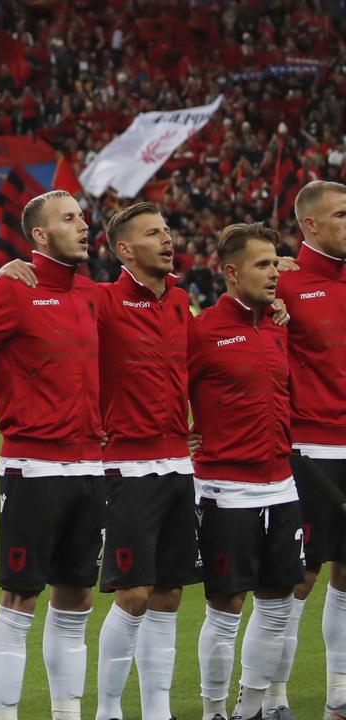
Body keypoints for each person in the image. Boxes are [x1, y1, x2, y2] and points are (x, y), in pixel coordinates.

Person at [0, 202, 200, 720]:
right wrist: (10, 271)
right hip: (120, 468)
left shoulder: (180, 301)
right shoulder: (102, 300)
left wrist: (281, 289)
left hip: (176, 465)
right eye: (154, 232)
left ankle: (157, 711)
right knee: (129, 595)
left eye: (168, 229)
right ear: (125, 250)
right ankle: (108, 709)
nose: (168, 238)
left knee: (167, 593)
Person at [0, 190, 103, 720]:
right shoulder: (10, 293)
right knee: (19, 601)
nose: (83, 226)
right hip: (35, 467)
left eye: (82, 217)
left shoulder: (95, 296)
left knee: (77, 599)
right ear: (38, 236)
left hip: (92, 466)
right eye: (69, 219)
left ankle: (66, 713)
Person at [189, 223, 300, 720]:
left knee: (277, 603)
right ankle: (213, 711)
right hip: (225, 489)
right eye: (263, 265)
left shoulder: (279, 324)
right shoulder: (202, 331)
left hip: (282, 483)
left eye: (277, 263)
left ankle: (251, 709)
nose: (274, 273)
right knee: (226, 606)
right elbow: (159, 385)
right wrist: (180, 432)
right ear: (231, 274)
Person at [267, 180, 346, 718]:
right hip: (308, 450)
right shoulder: (283, 284)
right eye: (343, 215)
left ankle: (340, 691)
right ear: (311, 226)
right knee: (300, 575)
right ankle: (271, 698)